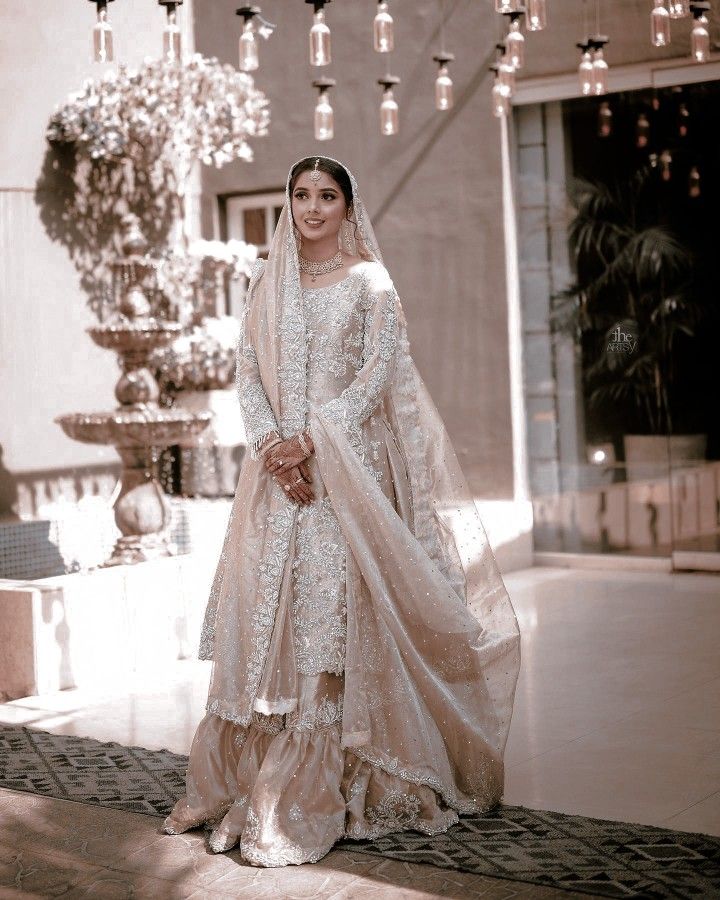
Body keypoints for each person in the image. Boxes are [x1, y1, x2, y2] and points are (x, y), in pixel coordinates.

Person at [163, 155, 521, 867]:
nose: (313, 207)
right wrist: (272, 447)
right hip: (274, 481)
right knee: (269, 622)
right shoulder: (271, 283)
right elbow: (245, 373)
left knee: (329, 619)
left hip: (344, 477)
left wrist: (314, 446)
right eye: (301, 194)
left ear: (348, 206)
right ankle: (254, 772)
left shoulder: (370, 282)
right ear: (289, 203)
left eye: (328, 195)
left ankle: (319, 781)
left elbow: (377, 375)